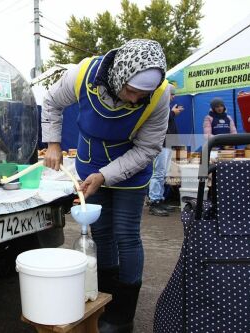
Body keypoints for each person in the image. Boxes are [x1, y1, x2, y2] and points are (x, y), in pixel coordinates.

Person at [42, 39, 170, 333]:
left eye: (143, 95)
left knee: (126, 235)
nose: (136, 100)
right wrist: (53, 144)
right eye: (131, 91)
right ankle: (105, 303)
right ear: (119, 75)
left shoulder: (161, 95)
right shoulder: (83, 74)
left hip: (131, 167)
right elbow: (51, 102)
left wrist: (105, 176)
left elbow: (148, 148)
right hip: (90, 160)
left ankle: (122, 316)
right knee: (100, 233)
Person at [148, 84, 183, 216]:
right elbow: (158, 119)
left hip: (167, 144)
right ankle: (154, 202)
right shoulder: (157, 105)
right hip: (160, 144)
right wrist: (173, 113)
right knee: (158, 173)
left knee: (163, 173)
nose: (173, 97)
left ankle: (160, 199)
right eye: (172, 94)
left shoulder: (166, 107)